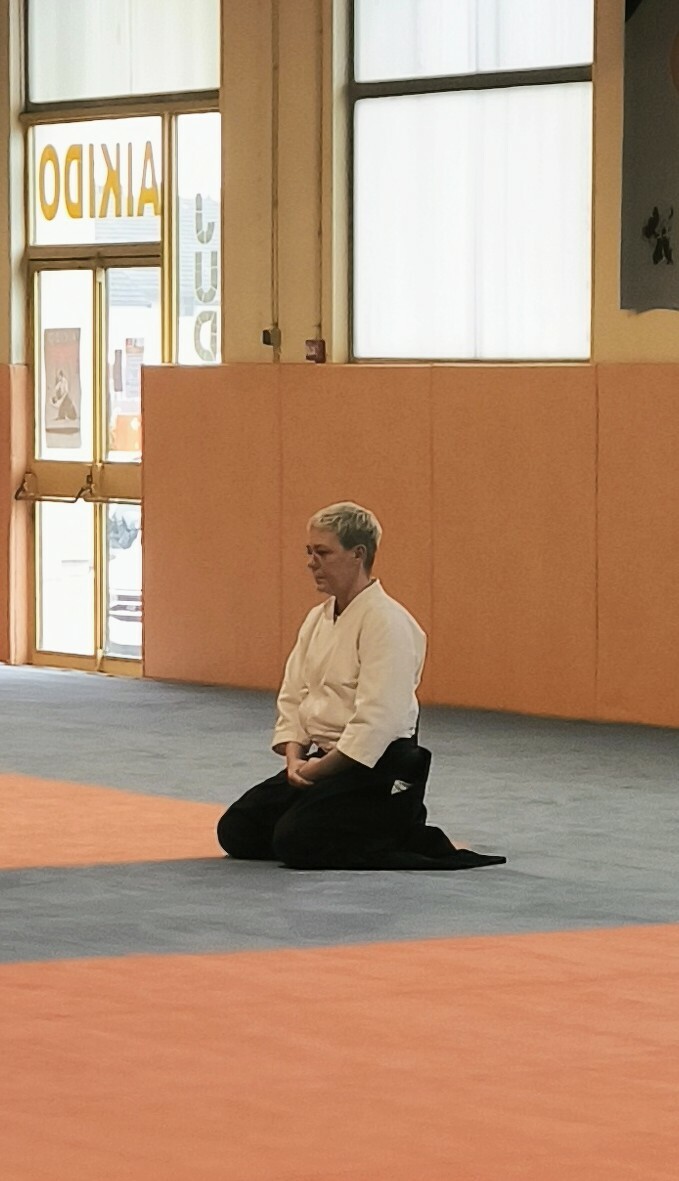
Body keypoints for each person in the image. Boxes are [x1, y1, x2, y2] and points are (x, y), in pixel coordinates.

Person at [217, 502, 506, 871]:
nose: (311, 563)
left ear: (358, 554)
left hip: (378, 768)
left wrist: (315, 772)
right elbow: (294, 695)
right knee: (239, 830)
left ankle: (399, 830)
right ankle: (337, 817)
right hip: (324, 761)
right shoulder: (317, 619)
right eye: (309, 552)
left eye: (323, 553)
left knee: (296, 842)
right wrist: (295, 760)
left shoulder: (388, 623)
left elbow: (377, 722)